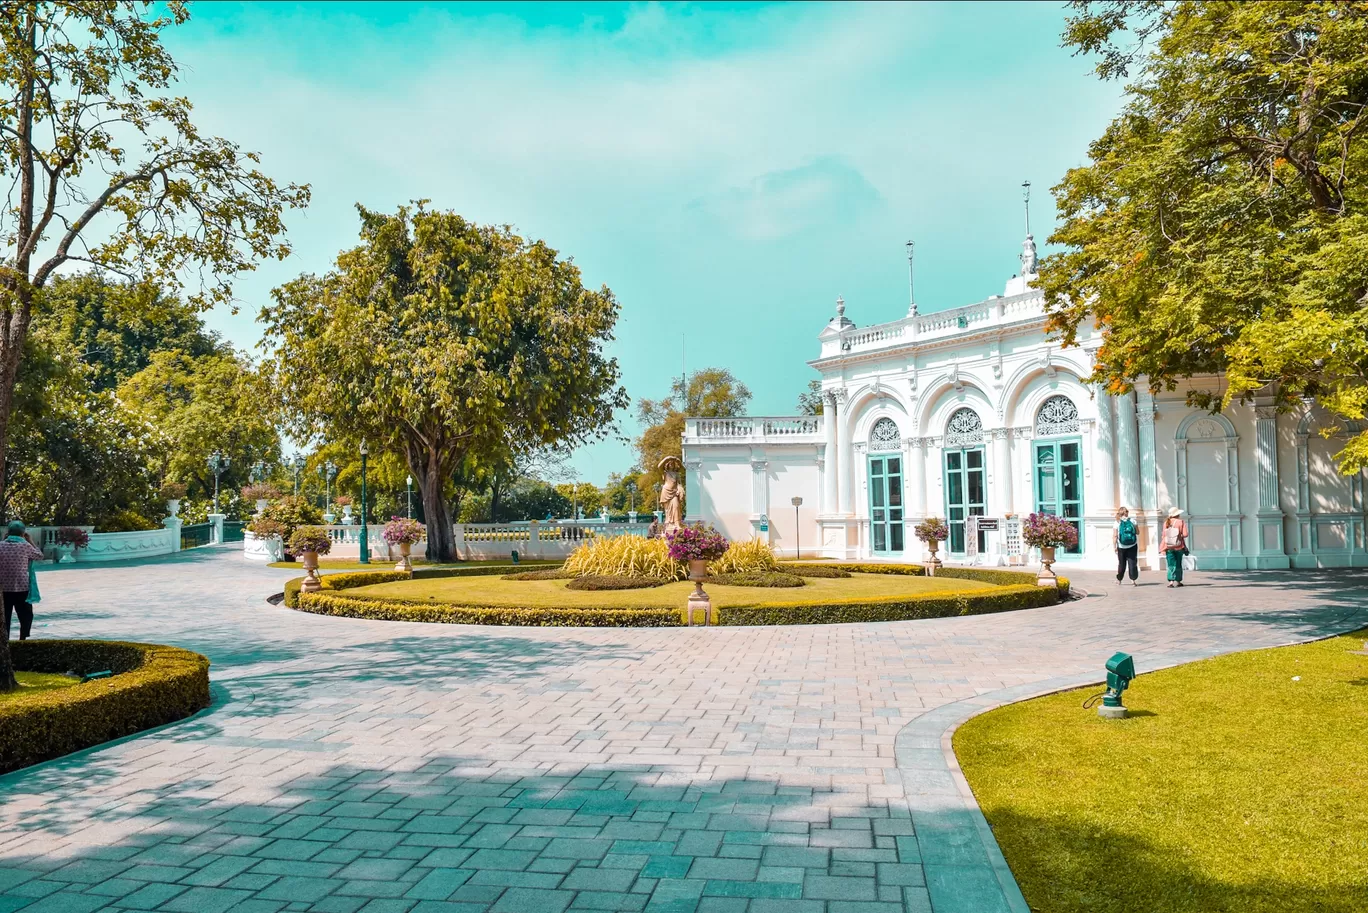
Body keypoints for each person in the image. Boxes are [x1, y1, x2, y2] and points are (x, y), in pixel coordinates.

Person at [0, 521, 44, 641]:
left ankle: (5, 642)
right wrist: (30, 541)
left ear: (8, 532)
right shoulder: (26, 546)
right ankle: (23, 640)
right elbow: (39, 556)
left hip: (3, 589)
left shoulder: (0, 545)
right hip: (22, 588)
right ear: (23, 533)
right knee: (26, 616)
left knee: (4, 618)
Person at [1160, 507, 1189, 588]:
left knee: (1170, 564)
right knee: (1178, 563)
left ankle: (1171, 581)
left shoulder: (1166, 523)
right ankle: (1178, 581)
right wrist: (1179, 536)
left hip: (1168, 547)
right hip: (1179, 546)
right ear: (1177, 514)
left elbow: (1163, 536)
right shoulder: (1181, 522)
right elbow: (1185, 534)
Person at [1113, 506, 1139, 586]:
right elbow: (1138, 532)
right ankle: (1133, 580)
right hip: (1133, 545)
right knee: (1132, 563)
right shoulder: (1133, 521)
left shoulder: (1117, 522)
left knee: (1121, 564)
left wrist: (1114, 547)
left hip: (1121, 547)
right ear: (1127, 513)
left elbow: (1115, 536)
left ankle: (1119, 580)